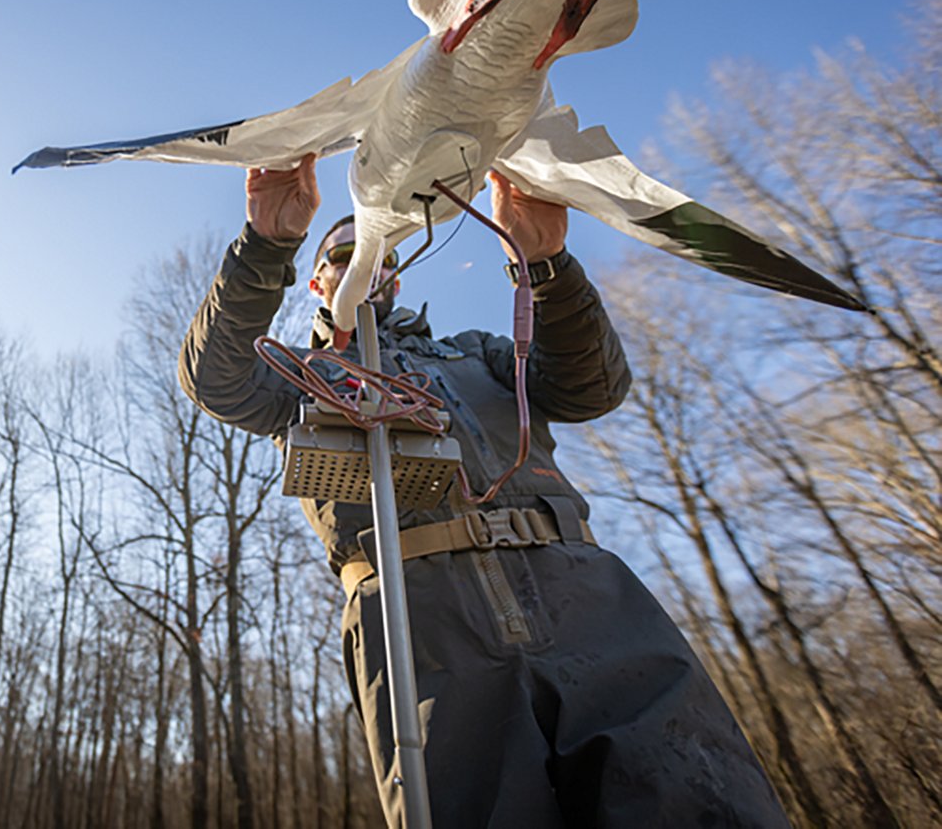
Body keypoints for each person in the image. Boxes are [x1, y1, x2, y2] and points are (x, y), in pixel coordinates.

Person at [178, 154, 791, 828]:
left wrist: (548, 266)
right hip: (424, 623)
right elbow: (217, 380)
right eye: (343, 253)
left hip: (580, 591)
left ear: (397, 271)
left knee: (699, 798)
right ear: (320, 281)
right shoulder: (300, 378)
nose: (361, 261)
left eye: (376, 251)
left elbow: (592, 387)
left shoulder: (476, 353)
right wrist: (266, 243)